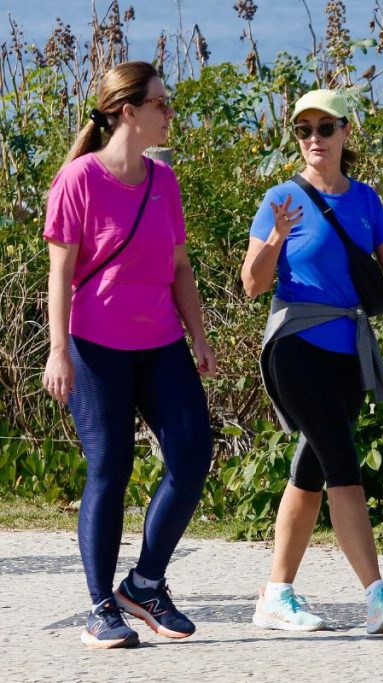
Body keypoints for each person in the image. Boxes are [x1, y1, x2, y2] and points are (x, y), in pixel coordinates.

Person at [241, 89, 383, 635]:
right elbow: (252, 284)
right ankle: (376, 592)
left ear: (345, 133)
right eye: (304, 130)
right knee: (342, 462)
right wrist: (276, 238)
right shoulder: (281, 198)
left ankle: (275, 594)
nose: (314, 139)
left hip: (350, 352)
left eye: (325, 128)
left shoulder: (366, 201)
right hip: (296, 345)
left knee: (310, 469)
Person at [42, 61, 216, 649]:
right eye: (162, 104)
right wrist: (58, 351)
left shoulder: (164, 180)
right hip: (95, 349)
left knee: (192, 456)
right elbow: (60, 277)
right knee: (109, 470)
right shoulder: (79, 180)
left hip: (162, 342)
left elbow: (180, 268)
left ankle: (144, 584)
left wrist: (199, 335)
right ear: (128, 112)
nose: (170, 113)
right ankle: (100, 607)